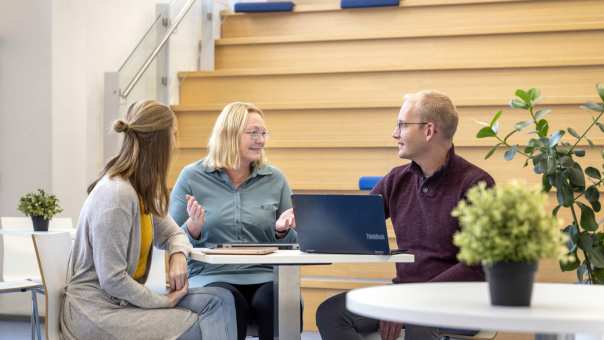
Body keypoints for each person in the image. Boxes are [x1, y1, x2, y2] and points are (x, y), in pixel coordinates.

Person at [277, 90, 495, 340]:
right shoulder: (397, 179)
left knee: (419, 322)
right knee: (332, 313)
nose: (395, 133)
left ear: (428, 131)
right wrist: (305, 218)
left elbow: (477, 266)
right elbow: (352, 225)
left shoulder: (476, 184)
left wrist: (409, 302)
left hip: (457, 299)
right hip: (405, 295)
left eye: (402, 125)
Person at [61, 100, 237, 340]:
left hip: (122, 302)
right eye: (174, 135)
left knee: (222, 300)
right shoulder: (117, 196)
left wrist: (177, 256)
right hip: (97, 313)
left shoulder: (139, 190)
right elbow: (113, 280)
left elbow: (174, 234)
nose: (177, 143)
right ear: (159, 143)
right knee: (196, 326)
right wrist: (162, 301)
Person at [169, 101, 299, 340]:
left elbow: (296, 243)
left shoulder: (276, 179)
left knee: (278, 303)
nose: (261, 140)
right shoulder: (191, 177)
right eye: (253, 133)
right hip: (211, 276)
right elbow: (169, 238)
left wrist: (282, 232)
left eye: (263, 133)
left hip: (265, 275)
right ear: (228, 134)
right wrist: (192, 229)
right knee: (228, 303)